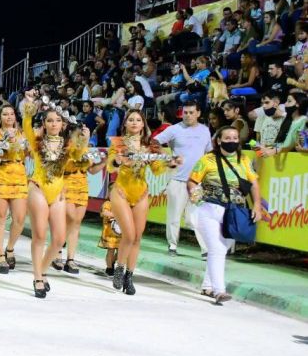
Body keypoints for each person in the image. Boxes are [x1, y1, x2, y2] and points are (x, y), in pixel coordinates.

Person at [107, 110, 180, 295]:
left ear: (143, 124)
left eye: (138, 120)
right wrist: (117, 161)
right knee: (129, 235)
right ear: (125, 124)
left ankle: (129, 276)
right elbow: (110, 166)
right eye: (131, 119)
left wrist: (170, 164)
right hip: (121, 191)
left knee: (137, 237)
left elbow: (157, 169)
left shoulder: (150, 145)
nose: (134, 122)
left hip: (141, 193)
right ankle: (119, 268)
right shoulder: (118, 143)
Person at [188, 127, 262, 304]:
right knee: (217, 249)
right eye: (227, 138)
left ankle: (207, 286)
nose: (232, 141)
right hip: (209, 208)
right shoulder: (207, 159)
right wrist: (197, 200)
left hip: (234, 212)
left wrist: (257, 206)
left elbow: (254, 184)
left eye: (235, 138)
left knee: (221, 249)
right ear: (219, 140)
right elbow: (192, 181)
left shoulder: (244, 160)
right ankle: (219, 291)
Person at [20, 99, 86, 298]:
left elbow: (79, 156)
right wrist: (29, 109)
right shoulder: (37, 141)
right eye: (49, 120)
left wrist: (84, 137)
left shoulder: (68, 144)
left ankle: (42, 270)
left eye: (57, 120)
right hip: (38, 189)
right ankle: (38, 277)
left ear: (63, 124)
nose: (54, 124)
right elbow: (26, 124)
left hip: (58, 193)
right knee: (40, 235)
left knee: (58, 239)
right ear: (44, 123)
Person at [154, 102, 212, 257]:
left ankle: (206, 249)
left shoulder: (205, 130)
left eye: (191, 112)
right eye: (185, 112)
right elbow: (154, 142)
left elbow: (209, 153)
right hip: (177, 180)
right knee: (174, 215)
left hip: (197, 182)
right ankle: (172, 246)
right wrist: (167, 157)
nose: (188, 115)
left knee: (196, 217)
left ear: (198, 113)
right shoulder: (174, 129)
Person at [0, 104, 28, 273]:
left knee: (19, 218)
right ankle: (0, 254)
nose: (9, 117)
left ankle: (10, 248)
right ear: (0, 117)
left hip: (19, 176)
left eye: (11, 114)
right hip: (0, 176)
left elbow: (30, 153)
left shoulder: (23, 135)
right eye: (5, 114)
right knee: (0, 217)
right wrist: (3, 142)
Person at [61, 125, 104, 274]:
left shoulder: (85, 149)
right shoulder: (64, 148)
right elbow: (68, 166)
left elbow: (92, 170)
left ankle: (70, 259)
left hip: (82, 187)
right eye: (78, 133)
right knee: (70, 218)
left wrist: (106, 161)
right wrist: (85, 142)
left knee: (76, 223)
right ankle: (57, 250)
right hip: (66, 186)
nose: (81, 135)